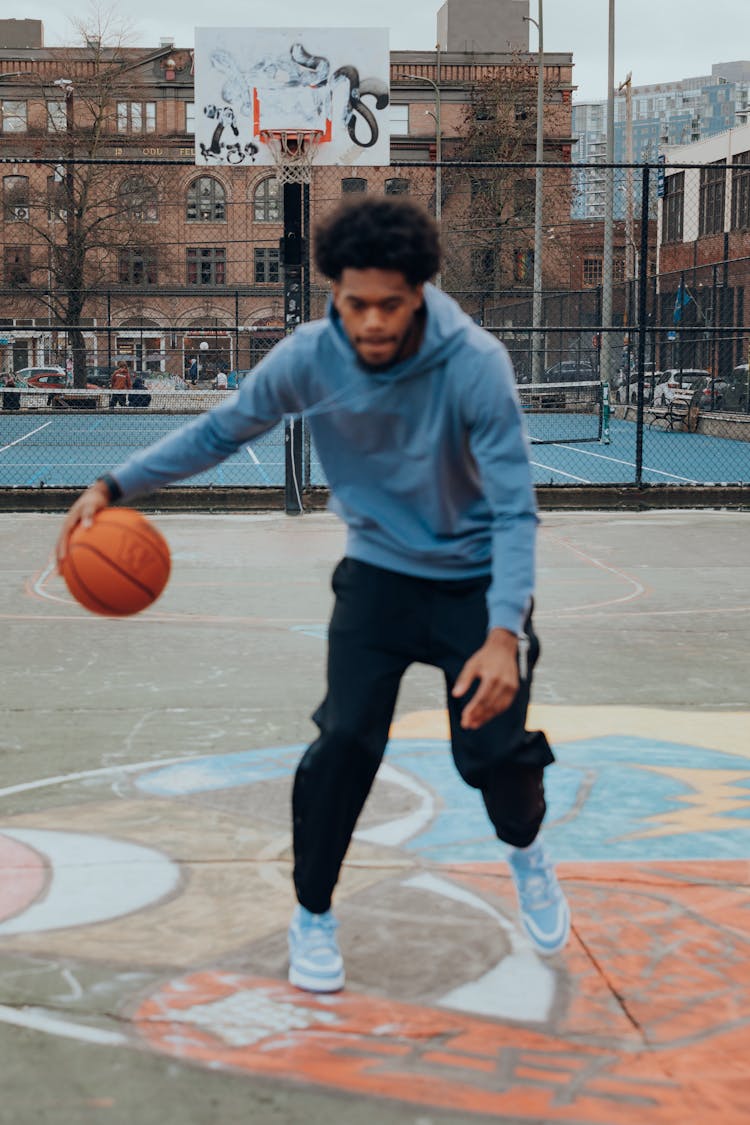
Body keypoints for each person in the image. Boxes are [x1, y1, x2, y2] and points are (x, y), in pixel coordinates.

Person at [56, 196, 569, 994]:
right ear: (333, 292)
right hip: (378, 576)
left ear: (420, 294)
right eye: (353, 303)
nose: (370, 321)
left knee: (494, 760)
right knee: (344, 744)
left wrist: (504, 632)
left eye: (389, 305)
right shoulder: (307, 357)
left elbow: (513, 506)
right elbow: (220, 431)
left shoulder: (473, 361)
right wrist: (116, 482)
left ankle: (528, 851)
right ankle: (314, 912)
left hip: (473, 584)